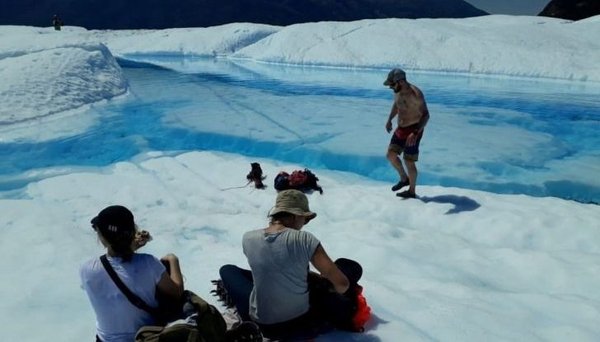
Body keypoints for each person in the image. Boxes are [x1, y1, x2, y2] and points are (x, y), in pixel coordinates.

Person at [219, 190, 351, 340]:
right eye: (305, 219)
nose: (304, 224)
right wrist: (324, 285)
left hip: (262, 323)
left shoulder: (248, 238)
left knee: (227, 270)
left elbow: (273, 262)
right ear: (295, 216)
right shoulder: (305, 239)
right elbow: (342, 285)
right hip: (299, 326)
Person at [80, 205, 184, 342]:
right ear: (133, 231)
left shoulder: (87, 269)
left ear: (103, 237)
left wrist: (131, 247)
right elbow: (176, 292)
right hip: (145, 338)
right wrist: (173, 259)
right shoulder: (149, 263)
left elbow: (118, 267)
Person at [384, 68, 430, 199]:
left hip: (414, 130)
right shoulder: (397, 91)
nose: (391, 87)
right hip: (401, 128)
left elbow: (426, 115)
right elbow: (397, 105)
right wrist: (389, 119)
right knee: (390, 155)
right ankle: (404, 178)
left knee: (408, 161)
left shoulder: (415, 94)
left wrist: (415, 133)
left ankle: (412, 191)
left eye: (392, 84)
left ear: (401, 81)